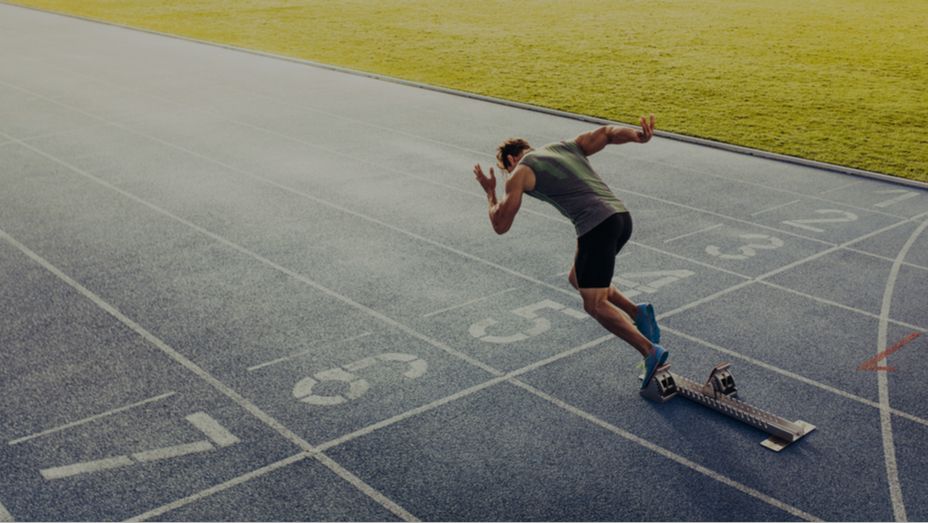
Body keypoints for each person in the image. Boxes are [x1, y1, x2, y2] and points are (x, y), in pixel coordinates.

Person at [473, 115, 668, 389]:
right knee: (578, 278)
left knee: (594, 304)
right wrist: (638, 136)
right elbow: (607, 132)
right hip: (621, 218)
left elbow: (500, 225)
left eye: (507, 170)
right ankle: (639, 313)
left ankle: (650, 351)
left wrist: (490, 192)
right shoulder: (564, 146)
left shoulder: (519, 173)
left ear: (511, 161)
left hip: (596, 226)